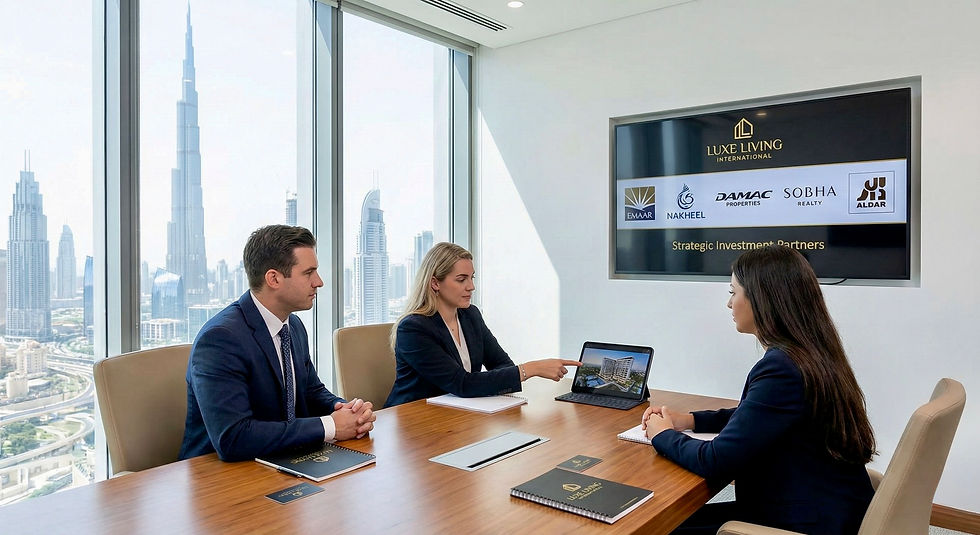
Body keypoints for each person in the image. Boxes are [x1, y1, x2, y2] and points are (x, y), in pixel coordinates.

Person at [642, 245, 876, 535]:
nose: (729, 304)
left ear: (762, 299)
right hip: (824, 507)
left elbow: (714, 461)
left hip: (800, 522)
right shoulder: (809, 354)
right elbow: (755, 415)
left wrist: (661, 434)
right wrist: (690, 420)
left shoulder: (782, 368)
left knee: (654, 527)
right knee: (669, 521)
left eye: (733, 292)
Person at [179, 225, 375, 462]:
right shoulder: (220, 339)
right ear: (273, 278)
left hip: (280, 460)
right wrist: (330, 427)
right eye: (308, 272)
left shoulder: (292, 326)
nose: (319, 282)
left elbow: (310, 391)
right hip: (220, 478)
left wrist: (344, 410)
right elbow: (233, 438)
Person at [384, 242, 580, 408]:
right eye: (461, 279)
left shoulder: (470, 315)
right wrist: (532, 369)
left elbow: (502, 364)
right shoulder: (413, 329)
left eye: (472, 278)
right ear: (435, 283)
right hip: (413, 422)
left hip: (458, 417)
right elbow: (462, 383)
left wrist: (492, 381)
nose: (471, 286)